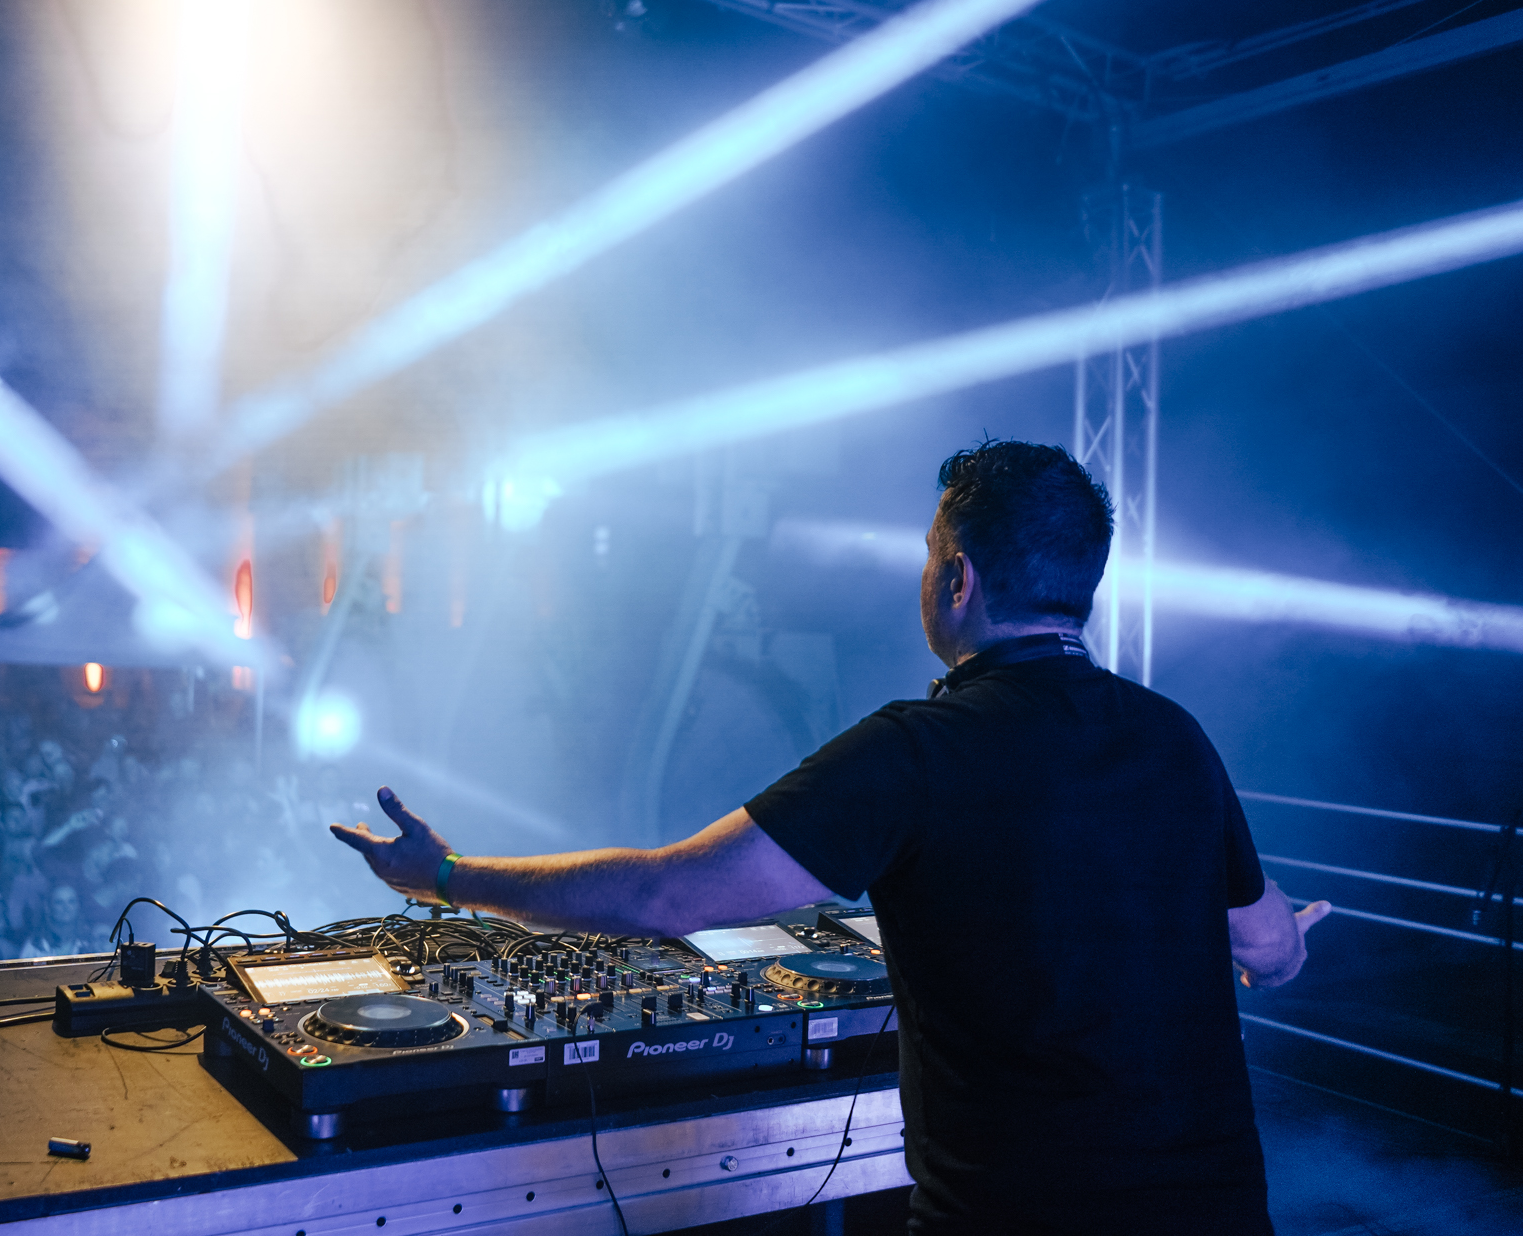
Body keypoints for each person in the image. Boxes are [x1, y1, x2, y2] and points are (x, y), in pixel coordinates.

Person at [331, 440, 1332, 1236]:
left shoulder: (915, 754)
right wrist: (1258, 927)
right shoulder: (1175, 739)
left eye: (931, 556)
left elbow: (666, 895)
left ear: (957, 578)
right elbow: (1269, 949)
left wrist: (446, 874)